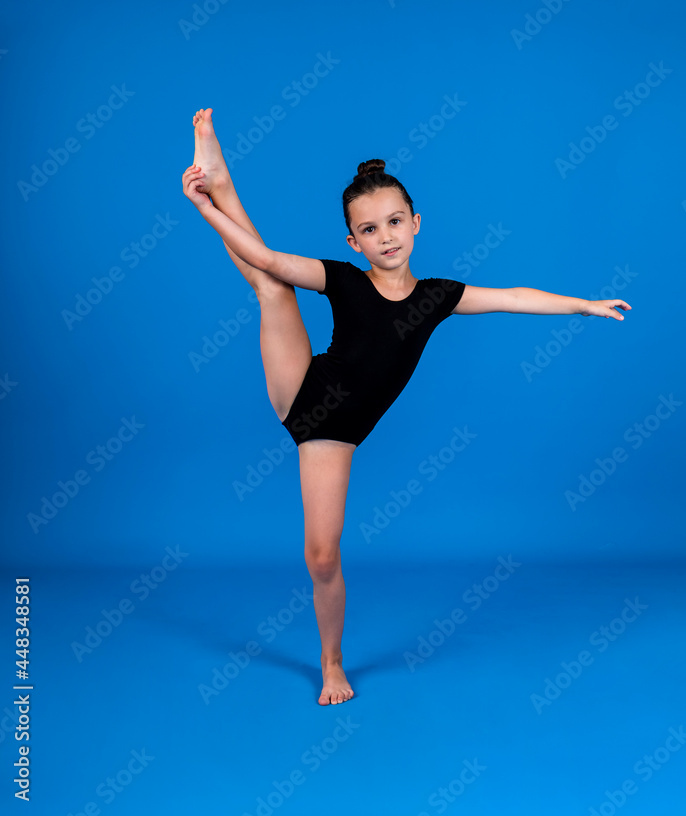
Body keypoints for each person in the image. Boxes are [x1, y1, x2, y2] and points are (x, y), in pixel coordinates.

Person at [182, 107, 631, 705]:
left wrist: (582, 304)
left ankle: (331, 656)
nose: (386, 237)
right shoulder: (342, 278)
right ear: (353, 241)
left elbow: (514, 296)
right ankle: (331, 665)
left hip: (335, 434)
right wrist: (205, 210)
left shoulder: (437, 297)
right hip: (303, 397)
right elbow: (266, 258)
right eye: (370, 230)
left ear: (416, 223)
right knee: (269, 281)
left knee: (321, 555)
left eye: (394, 222)